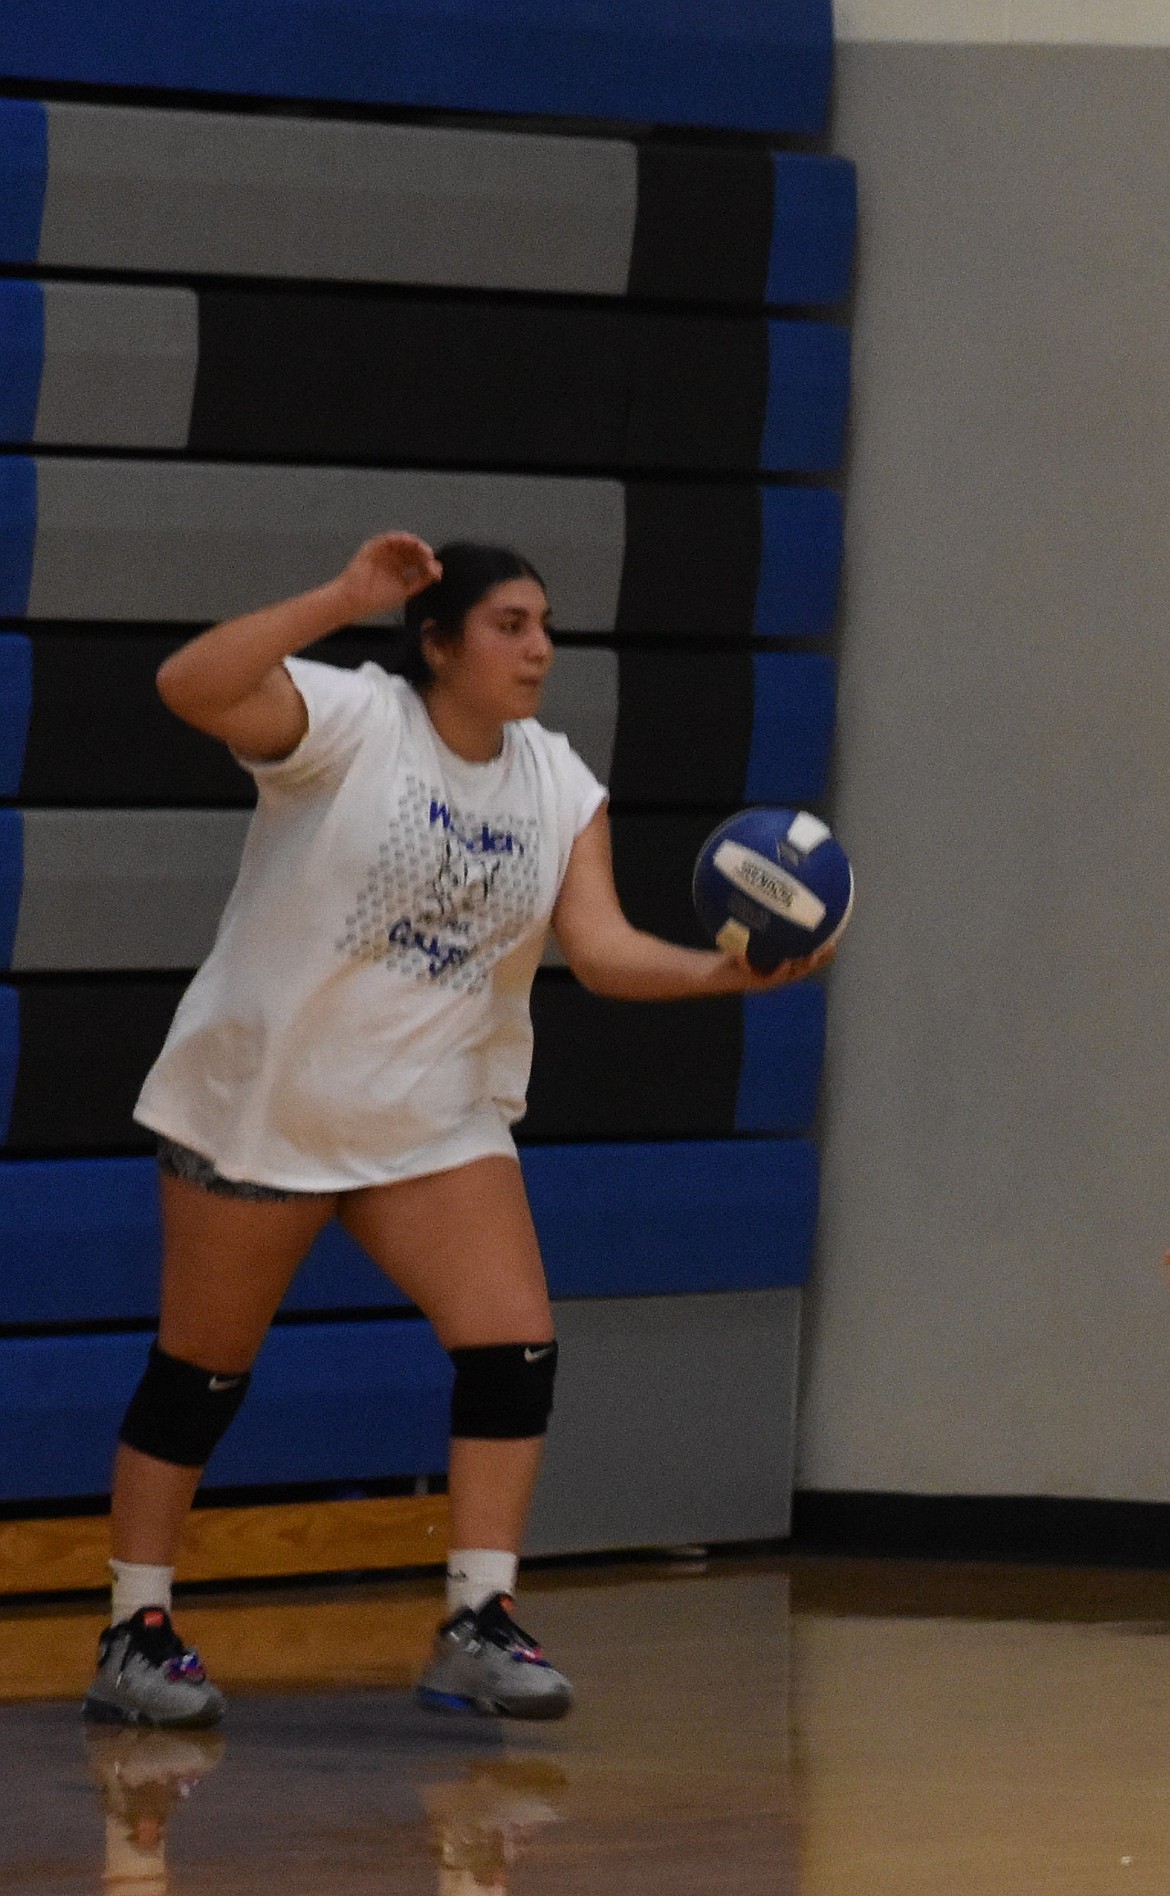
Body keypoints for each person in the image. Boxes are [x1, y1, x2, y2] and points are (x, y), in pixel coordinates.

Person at [82, 533, 834, 1728]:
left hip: (434, 1117)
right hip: (265, 1103)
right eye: (510, 625)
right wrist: (338, 597)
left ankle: (478, 1620)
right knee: (201, 1374)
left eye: (544, 625)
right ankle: (137, 1627)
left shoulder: (557, 783)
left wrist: (722, 975)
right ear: (438, 643)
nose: (539, 648)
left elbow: (599, 948)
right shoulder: (350, 722)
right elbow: (191, 686)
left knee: (512, 1345)